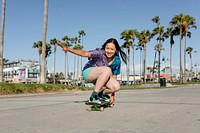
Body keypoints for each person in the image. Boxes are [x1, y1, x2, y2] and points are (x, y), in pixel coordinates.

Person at [57, 38, 127, 104]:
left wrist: (112, 96)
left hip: (100, 77)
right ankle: (94, 96)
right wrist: (67, 49)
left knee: (116, 86)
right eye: (107, 48)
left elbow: (114, 77)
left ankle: (101, 94)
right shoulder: (100, 52)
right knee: (107, 69)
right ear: (104, 48)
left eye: (112, 49)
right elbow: (84, 53)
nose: (109, 51)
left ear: (116, 50)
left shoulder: (117, 61)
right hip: (88, 72)